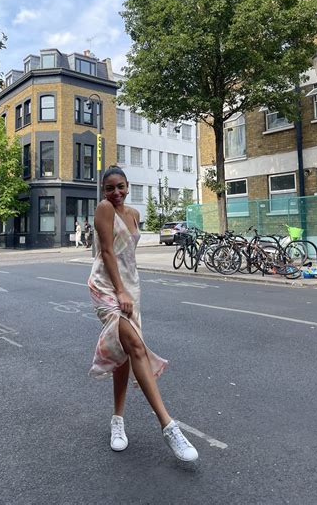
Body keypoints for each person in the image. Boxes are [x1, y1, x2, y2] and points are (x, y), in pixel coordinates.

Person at [88, 166, 198, 462]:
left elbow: (128, 256)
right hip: (106, 286)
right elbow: (107, 253)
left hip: (130, 287)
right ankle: (169, 427)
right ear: (103, 191)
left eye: (120, 186)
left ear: (128, 185)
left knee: (124, 352)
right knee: (136, 346)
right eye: (109, 188)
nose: (116, 193)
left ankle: (117, 421)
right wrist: (120, 291)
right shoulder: (104, 209)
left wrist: (129, 291)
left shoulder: (135, 214)